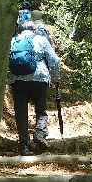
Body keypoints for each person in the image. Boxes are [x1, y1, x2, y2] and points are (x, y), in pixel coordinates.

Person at [9, 21, 61, 156]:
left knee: (21, 112)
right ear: (34, 29)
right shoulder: (41, 39)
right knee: (41, 109)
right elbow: (54, 60)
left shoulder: (13, 40)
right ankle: (39, 133)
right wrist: (56, 77)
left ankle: (24, 145)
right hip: (39, 79)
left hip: (18, 80)